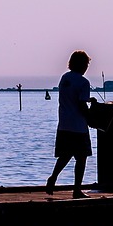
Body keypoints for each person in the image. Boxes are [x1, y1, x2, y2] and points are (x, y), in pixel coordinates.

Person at [46, 50, 96, 199]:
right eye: (86, 64)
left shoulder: (65, 78)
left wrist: (88, 100)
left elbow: (72, 98)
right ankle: (77, 190)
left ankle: (53, 177)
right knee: (81, 158)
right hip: (79, 126)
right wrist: (90, 119)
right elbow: (81, 104)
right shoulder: (83, 82)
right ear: (82, 65)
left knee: (65, 155)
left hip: (64, 124)